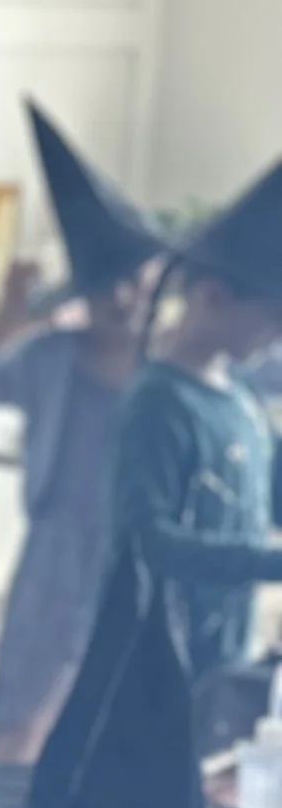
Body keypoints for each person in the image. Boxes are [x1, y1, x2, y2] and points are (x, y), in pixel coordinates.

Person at [0, 104, 161, 762]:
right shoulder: (48, 360)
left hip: (139, 563)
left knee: (115, 732)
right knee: (19, 721)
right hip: (55, 558)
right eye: (107, 287)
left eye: (135, 283)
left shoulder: (167, 371)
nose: (123, 300)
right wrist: (5, 320)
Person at [107, 148, 282, 742]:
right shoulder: (159, 404)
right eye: (272, 317)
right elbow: (148, 541)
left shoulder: (241, 398)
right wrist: (269, 563)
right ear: (211, 297)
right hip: (155, 663)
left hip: (225, 656)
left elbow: (272, 494)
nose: (278, 336)